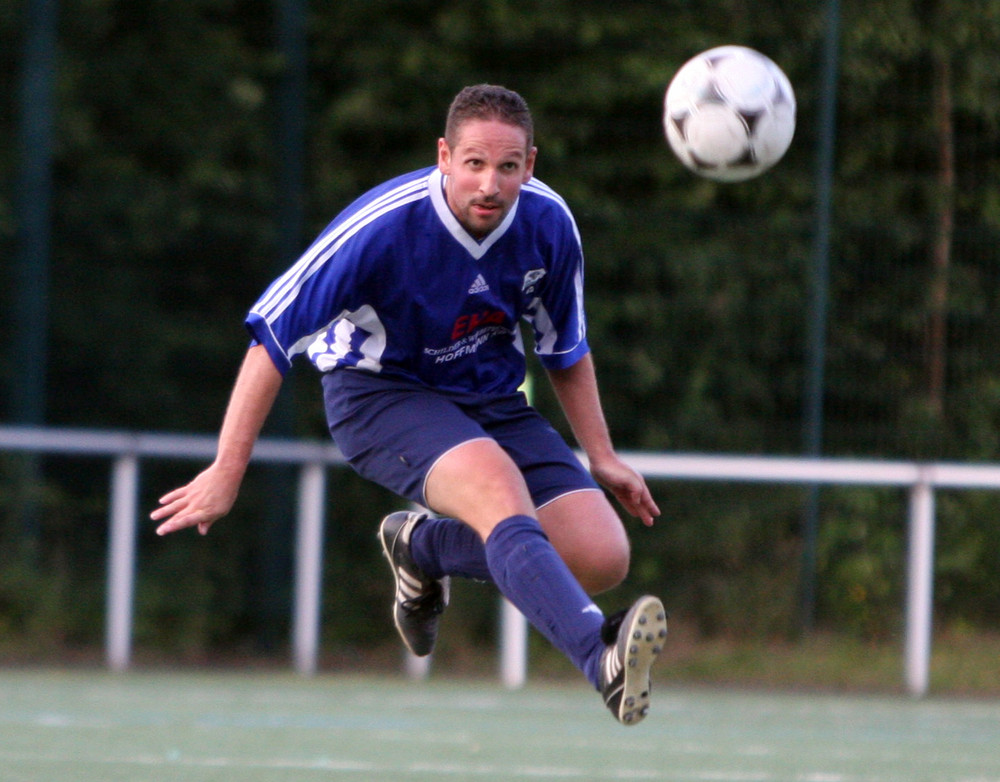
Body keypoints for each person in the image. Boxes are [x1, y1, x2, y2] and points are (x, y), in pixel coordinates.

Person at [151, 84, 667, 726]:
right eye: (474, 163)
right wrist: (227, 471)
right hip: (378, 395)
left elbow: (565, 346)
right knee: (496, 484)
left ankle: (425, 548)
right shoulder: (381, 226)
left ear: (530, 165)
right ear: (444, 156)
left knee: (599, 555)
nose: (490, 183)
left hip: (489, 402)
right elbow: (271, 341)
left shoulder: (548, 222)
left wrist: (603, 454)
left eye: (508, 167)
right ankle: (601, 658)